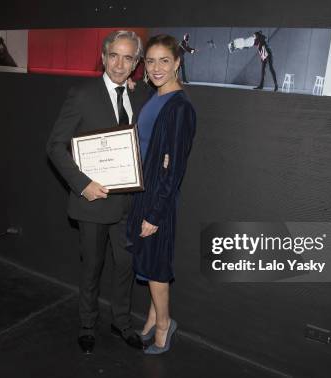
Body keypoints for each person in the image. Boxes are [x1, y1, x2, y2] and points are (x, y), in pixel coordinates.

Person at [46, 30, 149, 354]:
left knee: (125, 266)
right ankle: (87, 325)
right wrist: (82, 184)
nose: (120, 64)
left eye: (128, 57)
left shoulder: (140, 94)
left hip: (128, 203)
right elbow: (54, 146)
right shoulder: (82, 93)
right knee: (92, 267)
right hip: (93, 202)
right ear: (103, 57)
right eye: (114, 55)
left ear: (136, 63)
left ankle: (121, 322)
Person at [126, 34, 197, 354]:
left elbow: (174, 168)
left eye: (164, 61)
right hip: (144, 191)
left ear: (177, 64)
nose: (155, 68)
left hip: (159, 198)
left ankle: (165, 326)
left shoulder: (180, 107)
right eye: (150, 61)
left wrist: (155, 213)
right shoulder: (155, 97)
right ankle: (153, 318)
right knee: (150, 261)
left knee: (155, 267)